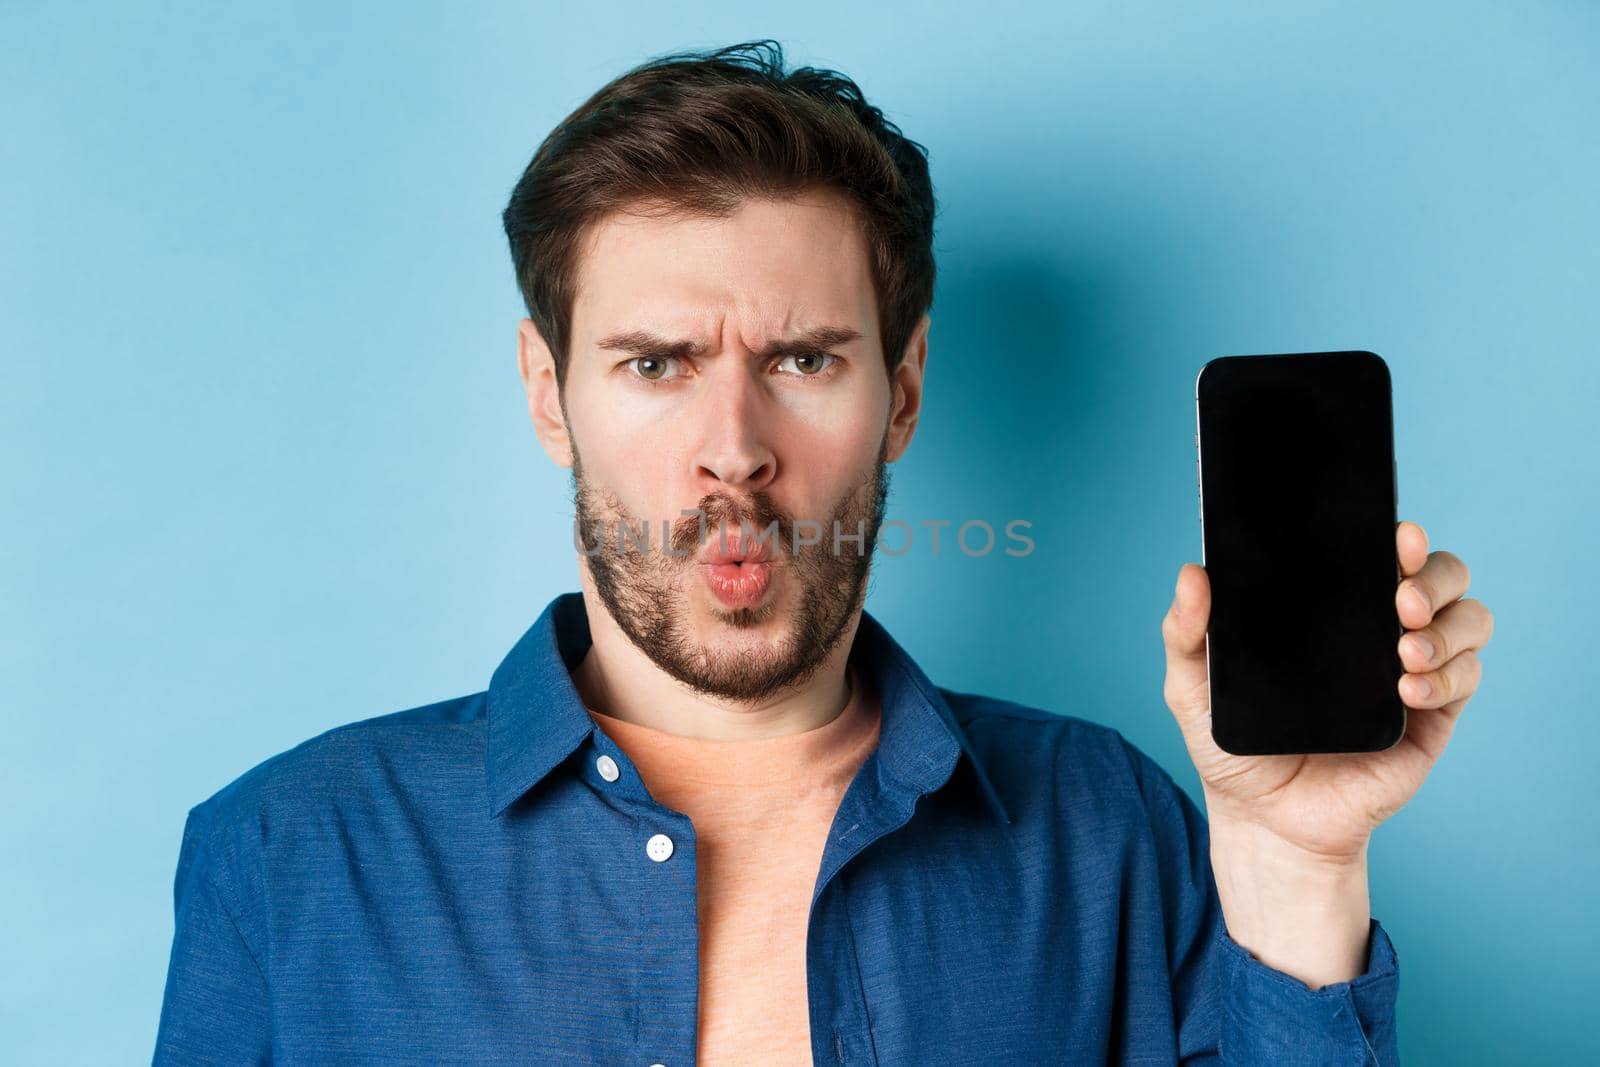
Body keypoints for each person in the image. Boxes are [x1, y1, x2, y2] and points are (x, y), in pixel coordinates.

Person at [153, 39, 1494, 1065]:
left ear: (901, 390)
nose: (733, 445)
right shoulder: (288, 855)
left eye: (803, 358)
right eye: (655, 363)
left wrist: (1298, 865)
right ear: (548, 392)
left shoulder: (1107, 829)